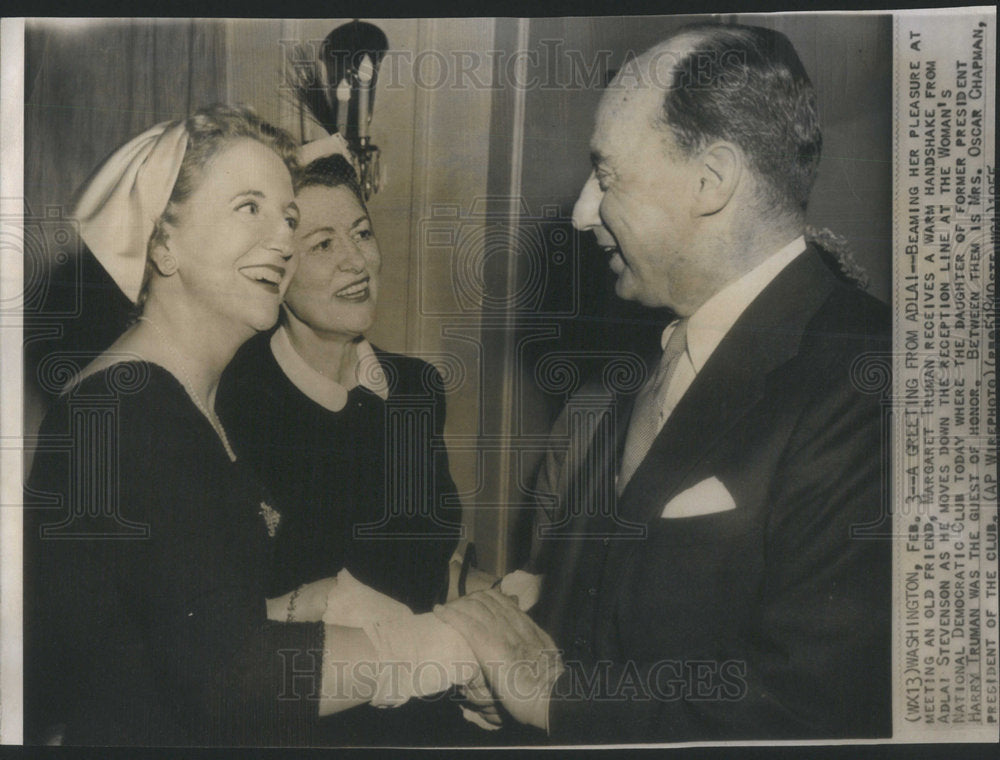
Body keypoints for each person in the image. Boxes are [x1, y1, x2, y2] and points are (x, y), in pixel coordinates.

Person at [435, 23, 892, 742]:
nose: (582, 212)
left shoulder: (875, 377)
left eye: (606, 175)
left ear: (711, 179)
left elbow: (813, 707)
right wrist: (520, 664)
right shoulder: (644, 369)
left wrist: (556, 699)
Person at [23, 107, 480, 746]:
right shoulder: (131, 411)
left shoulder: (172, 397)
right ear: (162, 243)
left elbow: (182, 627)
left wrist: (314, 600)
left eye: (288, 218)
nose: (282, 242)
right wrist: (451, 647)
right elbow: (229, 679)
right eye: (249, 208)